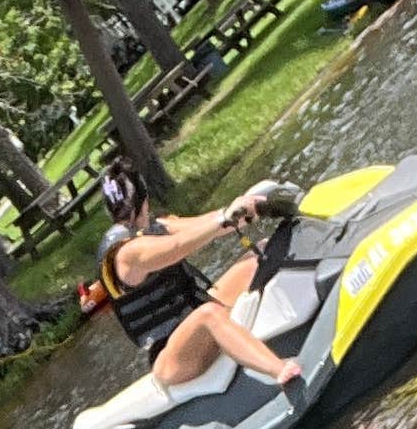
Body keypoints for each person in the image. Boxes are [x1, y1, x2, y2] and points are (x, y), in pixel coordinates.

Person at [94, 165, 303, 399]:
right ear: (145, 199)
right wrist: (224, 219)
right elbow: (177, 246)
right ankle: (280, 370)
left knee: (259, 254)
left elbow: (210, 224)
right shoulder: (125, 254)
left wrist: (251, 207)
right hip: (172, 358)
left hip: (197, 312)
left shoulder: (158, 226)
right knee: (208, 315)